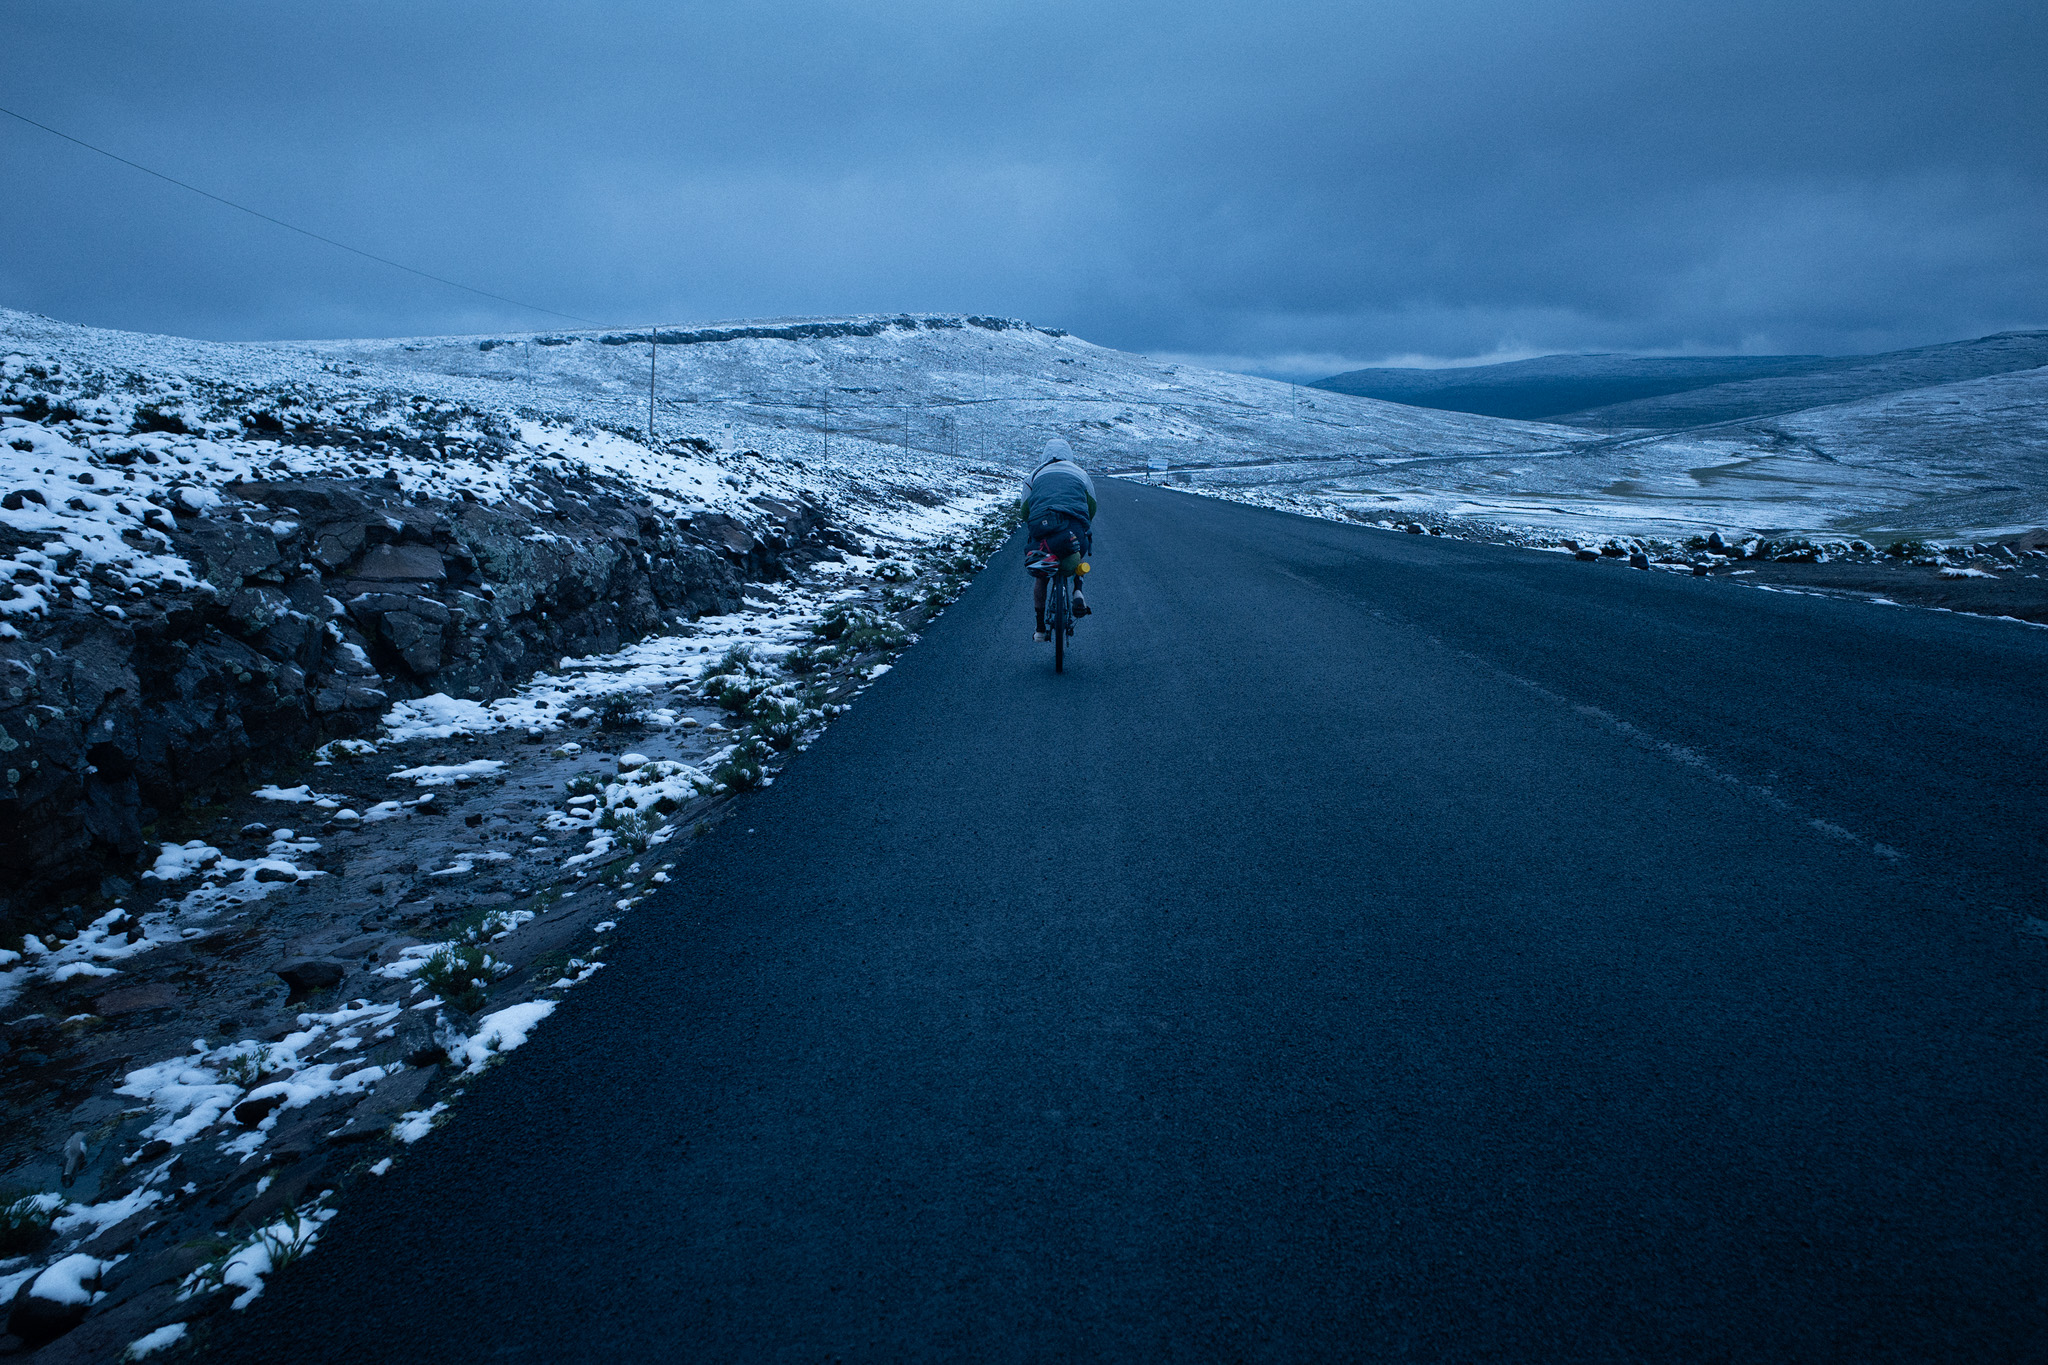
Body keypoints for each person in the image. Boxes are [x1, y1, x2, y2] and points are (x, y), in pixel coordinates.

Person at [1021, 436, 1096, 642]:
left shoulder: (1034, 475)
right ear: (1069, 455)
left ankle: (1039, 628)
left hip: (1043, 527)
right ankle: (1078, 591)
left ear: (1044, 455)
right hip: (1073, 528)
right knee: (1077, 550)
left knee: (1041, 574)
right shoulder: (1081, 474)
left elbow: (1024, 510)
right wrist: (1083, 524)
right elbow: (1092, 507)